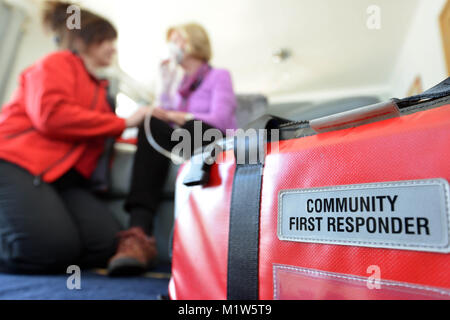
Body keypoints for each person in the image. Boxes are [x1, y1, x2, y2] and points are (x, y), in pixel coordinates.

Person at [0, 2, 154, 274]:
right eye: (106, 40)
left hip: (62, 180)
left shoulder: (101, 89)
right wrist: (124, 122)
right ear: (84, 39)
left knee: (105, 244)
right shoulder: (57, 62)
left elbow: (100, 135)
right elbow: (51, 115)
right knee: (49, 250)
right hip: (16, 163)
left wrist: (147, 138)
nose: (112, 48)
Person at [107, 23, 238, 275]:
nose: (173, 45)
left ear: (195, 42)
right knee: (151, 123)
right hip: (184, 140)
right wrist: (165, 87)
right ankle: (139, 235)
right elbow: (163, 118)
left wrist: (178, 115)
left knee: (189, 125)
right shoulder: (179, 85)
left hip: (212, 138)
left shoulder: (219, 76)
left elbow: (219, 119)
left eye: (178, 39)